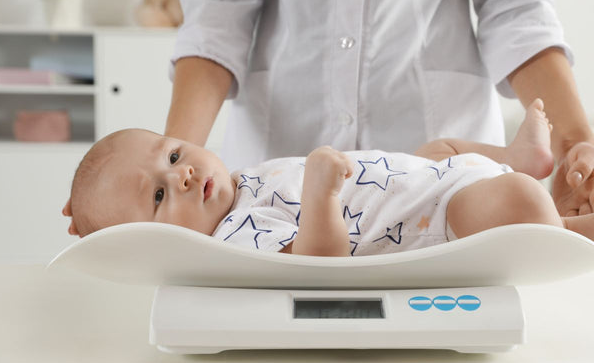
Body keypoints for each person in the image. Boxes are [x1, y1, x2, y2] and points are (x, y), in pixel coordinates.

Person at [166, 0, 594, 219]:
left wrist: (577, 147)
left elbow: (516, 6)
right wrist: (166, 172)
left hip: (443, 167)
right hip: (276, 172)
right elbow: (215, 17)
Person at [63, 99, 594, 257]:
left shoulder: (237, 182)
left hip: (429, 177)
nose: (182, 175)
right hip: (436, 218)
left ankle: (517, 155)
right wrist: (320, 194)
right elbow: (318, 265)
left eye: (174, 154)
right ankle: (574, 228)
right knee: (522, 205)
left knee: (438, 147)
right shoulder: (234, 236)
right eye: (158, 194)